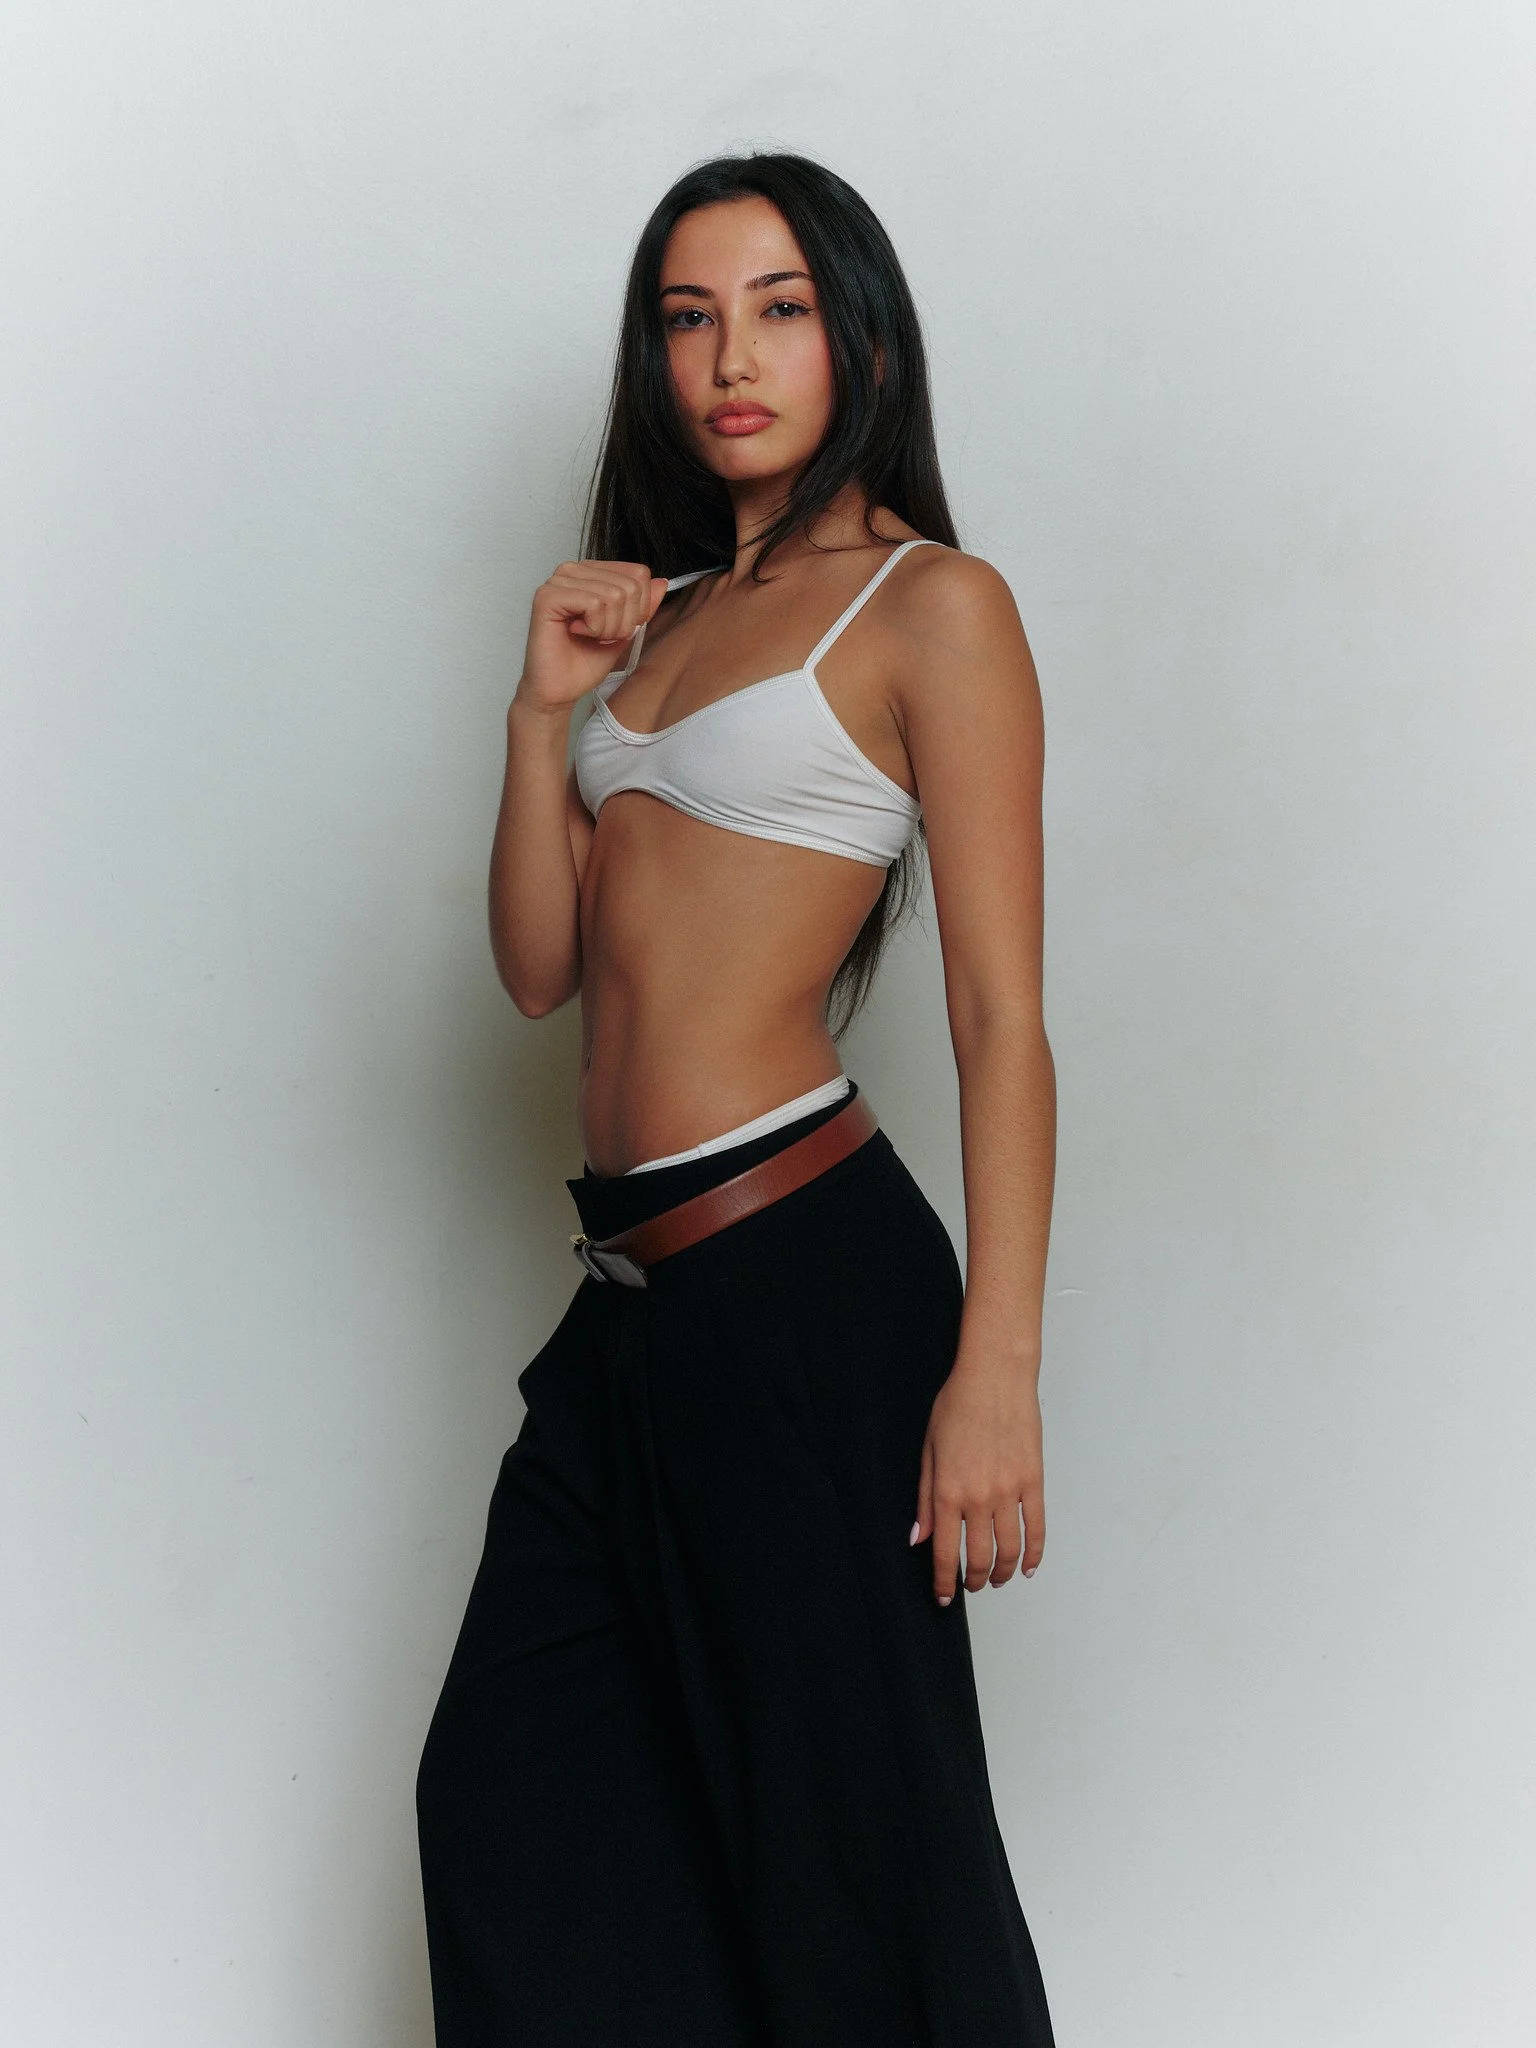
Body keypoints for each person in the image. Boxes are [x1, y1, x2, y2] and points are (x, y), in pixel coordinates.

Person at [416, 149, 1058, 2048]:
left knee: (854, 1866)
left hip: (808, 1290)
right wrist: (542, 719)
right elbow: (542, 970)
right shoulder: (657, 615)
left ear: (858, 330)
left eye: (777, 306)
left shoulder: (934, 605)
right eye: (689, 316)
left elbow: (1002, 1019)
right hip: (627, 1320)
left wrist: (997, 1364)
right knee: (522, 1814)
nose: (731, 356)